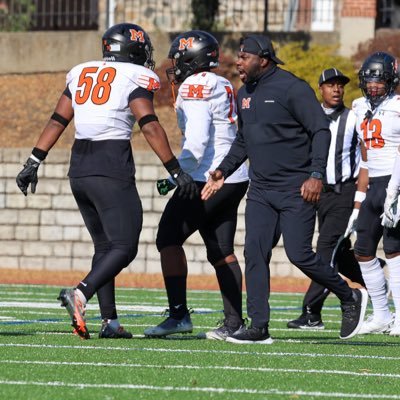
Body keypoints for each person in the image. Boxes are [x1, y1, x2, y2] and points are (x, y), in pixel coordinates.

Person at [15, 23, 198, 340]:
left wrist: (34, 160)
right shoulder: (134, 76)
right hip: (110, 164)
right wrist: (175, 169)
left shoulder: (81, 72)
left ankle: (110, 322)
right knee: (125, 246)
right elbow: (149, 124)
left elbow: (59, 118)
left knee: (105, 246)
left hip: (79, 167)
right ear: (132, 50)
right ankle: (81, 294)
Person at [201, 34, 367, 344]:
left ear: (262, 59)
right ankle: (258, 326)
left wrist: (316, 174)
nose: (238, 61)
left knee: (299, 254)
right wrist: (223, 170)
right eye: (238, 56)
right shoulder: (243, 93)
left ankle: (349, 295)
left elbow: (321, 130)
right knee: (254, 252)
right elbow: (242, 140)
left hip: (297, 188)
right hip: (261, 190)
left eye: (244, 56)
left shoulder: (293, 89)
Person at [143, 30, 249, 341]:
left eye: (178, 58)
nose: (174, 64)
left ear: (192, 59)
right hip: (234, 177)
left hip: (207, 176)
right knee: (221, 250)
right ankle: (234, 322)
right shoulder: (223, 83)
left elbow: (199, 137)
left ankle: (178, 315)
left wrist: (176, 173)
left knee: (168, 238)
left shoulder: (195, 85)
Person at [287, 68, 363, 330]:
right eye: (330, 85)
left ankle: (312, 311)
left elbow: (367, 156)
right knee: (340, 256)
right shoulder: (309, 117)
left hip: (344, 192)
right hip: (315, 193)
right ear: (320, 89)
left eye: (340, 85)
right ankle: (380, 286)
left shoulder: (353, 118)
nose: (336, 89)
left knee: (326, 249)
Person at [345, 51, 400, 336]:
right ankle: (381, 314)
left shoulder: (397, 106)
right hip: (373, 185)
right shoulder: (358, 106)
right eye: (369, 80)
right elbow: (364, 157)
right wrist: (358, 201)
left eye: (381, 80)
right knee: (363, 251)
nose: (374, 86)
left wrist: (394, 190)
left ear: (392, 81)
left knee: (394, 250)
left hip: (396, 183)